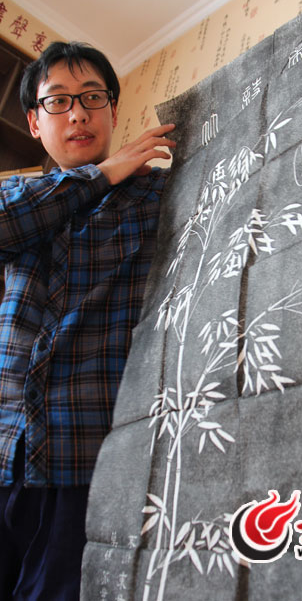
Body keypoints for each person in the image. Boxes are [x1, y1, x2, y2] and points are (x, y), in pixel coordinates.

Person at [0, 41, 176, 600]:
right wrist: (98, 175)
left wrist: (114, 177)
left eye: (92, 97)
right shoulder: (18, 195)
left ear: (113, 111)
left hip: (86, 456)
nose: (77, 113)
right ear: (35, 122)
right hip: (4, 445)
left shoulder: (156, 196)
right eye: (58, 101)